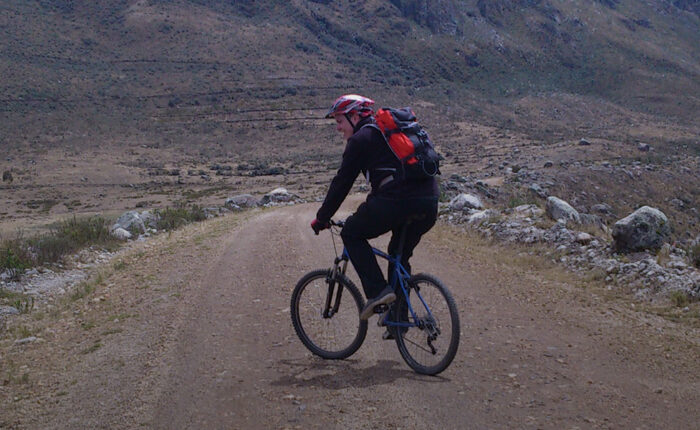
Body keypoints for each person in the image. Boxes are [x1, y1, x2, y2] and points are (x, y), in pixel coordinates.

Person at [310, 94, 439, 325]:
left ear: (354, 116)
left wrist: (322, 218)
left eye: (339, 121)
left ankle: (378, 292)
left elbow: (342, 183)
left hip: (397, 201)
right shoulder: (389, 135)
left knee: (350, 232)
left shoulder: (361, 139)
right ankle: (398, 321)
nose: (338, 128)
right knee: (399, 255)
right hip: (429, 201)